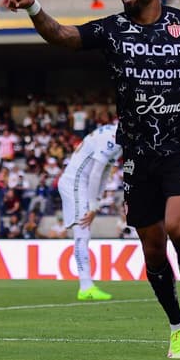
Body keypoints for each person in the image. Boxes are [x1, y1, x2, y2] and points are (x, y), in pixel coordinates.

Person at [4, 0, 180, 360]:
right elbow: (63, 36)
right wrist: (33, 7)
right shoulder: (113, 30)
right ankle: (177, 327)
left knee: (179, 227)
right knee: (151, 251)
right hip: (136, 152)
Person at [57, 121, 123, 301]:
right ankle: (85, 286)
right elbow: (95, 174)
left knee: (83, 232)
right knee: (82, 232)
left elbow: (105, 171)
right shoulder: (112, 138)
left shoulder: (116, 134)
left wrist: (98, 201)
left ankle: (86, 285)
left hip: (80, 184)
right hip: (75, 182)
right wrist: (93, 205)